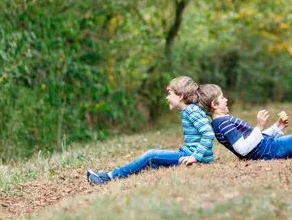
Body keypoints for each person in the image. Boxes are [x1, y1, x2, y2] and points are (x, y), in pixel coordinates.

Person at [86, 76, 214, 185]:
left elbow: (208, 133)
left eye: (169, 93)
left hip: (193, 156)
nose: (167, 97)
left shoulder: (192, 111)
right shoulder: (188, 110)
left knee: (151, 154)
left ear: (180, 96)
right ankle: (111, 175)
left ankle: (108, 177)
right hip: (188, 153)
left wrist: (195, 157)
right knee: (152, 162)